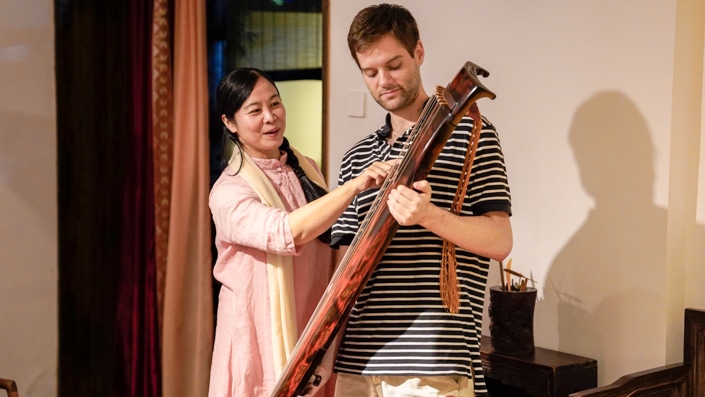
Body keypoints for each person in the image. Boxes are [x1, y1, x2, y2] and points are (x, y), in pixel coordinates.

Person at [309, 4, 513, 397]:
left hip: (434, 358)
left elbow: (501, 241)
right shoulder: (357, 157)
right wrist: (325, 353)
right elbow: (345, 272)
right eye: (370, 72)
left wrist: (429, 215)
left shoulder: (473, 133)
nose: (383, 81)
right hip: (358, 362)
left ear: (419, 52)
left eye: (394, 65)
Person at [207, 67, 394, 397]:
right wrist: (355, 185)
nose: (271, 117)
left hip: (313, 336)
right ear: (229, 123)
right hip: (257, 341)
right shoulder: (228, 192)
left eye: (275, 103)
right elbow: (287, 231)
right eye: (255, 110)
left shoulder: (306, 168)